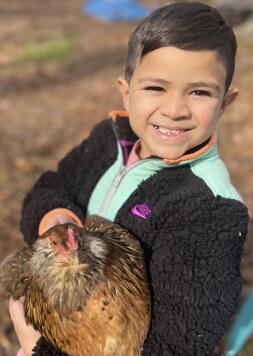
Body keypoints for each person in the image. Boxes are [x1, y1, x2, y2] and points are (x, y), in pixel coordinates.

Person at [9, 2, 249, 355]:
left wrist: (37, 348)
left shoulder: (212, 212)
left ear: (225, 103)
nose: (174, 109)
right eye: (156, 88)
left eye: (199, 92)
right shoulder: (108, 141)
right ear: (126, 90)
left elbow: (177, 344)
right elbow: (54, 186)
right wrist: (58, 220)